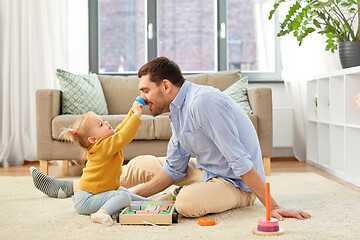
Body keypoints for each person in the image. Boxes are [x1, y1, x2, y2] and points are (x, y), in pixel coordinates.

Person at [31, 56, 311, 221]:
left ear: (165, 86)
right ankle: (78, 188)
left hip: (235, 183)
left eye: (145, 90)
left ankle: (98, 194)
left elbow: (241, 162)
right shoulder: (177, 111)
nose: (141, 98)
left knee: (186, 204)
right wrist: (130, 196)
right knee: (141, 164)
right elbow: (174, 168)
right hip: (206, 172)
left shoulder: (203, 103)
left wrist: (274, 207)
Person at [31, 100, 150, 226]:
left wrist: (131, 112)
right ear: (93, 139)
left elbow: (120, 130)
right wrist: (136, 116)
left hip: (96, 193)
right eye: (101, 125)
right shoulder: (102, 147)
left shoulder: (105, 142)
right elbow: (124, 136)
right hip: (86, 200)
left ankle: (150, 202)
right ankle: (102, 213)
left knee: (123, 192)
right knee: (123, 197)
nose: (106, 123)